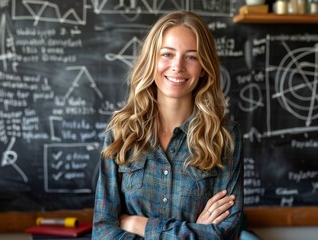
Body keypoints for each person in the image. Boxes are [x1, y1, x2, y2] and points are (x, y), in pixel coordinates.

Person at [93, 10, 243, 239]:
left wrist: (139, 224)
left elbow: (223, 234)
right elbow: (103, 231)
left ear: (204, 67)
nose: (178, 66)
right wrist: (193, 232)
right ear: (152, 59)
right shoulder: (121, 132)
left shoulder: (224, 137)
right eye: (167, 54)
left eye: (191, 56)